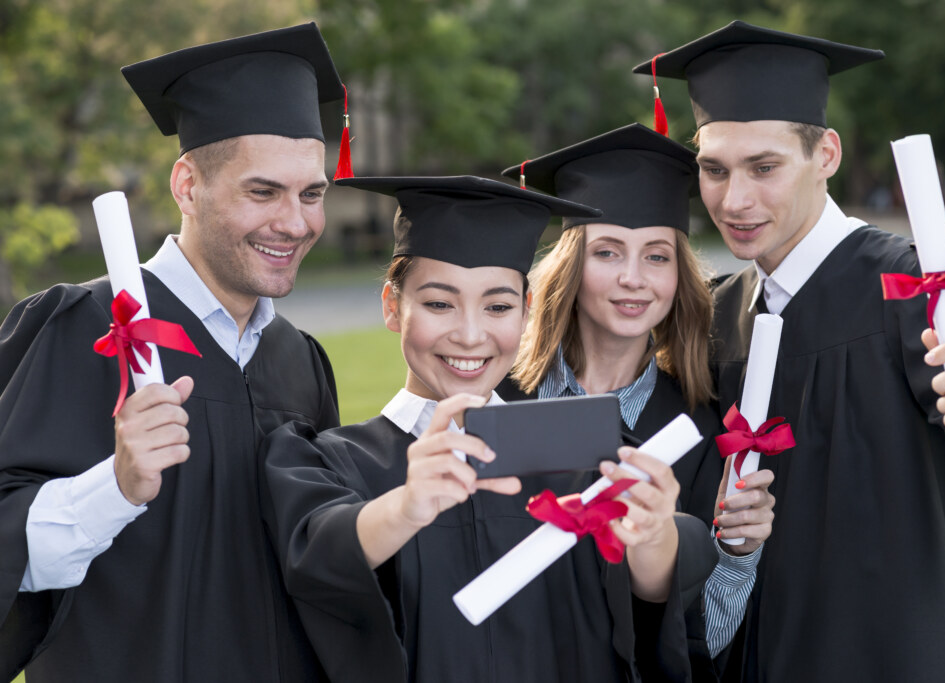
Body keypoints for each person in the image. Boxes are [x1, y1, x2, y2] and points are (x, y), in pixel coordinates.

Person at [633, 20, 945, 683]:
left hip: (909, 658)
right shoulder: (713, 319)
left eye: (764, 167)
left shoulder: (926, 282)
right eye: (713, 169)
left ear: (827, 155)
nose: (736, 199)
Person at [260, 175, 719, 682]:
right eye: (438, 303)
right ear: (393, 307)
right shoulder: (333, 461)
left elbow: (656, 595)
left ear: (525, 312)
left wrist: (653, 535)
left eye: (498, 306)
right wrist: (406, 507)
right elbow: (315, 558)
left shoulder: (585, 453)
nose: (471, 334)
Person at [0, 24, 344, 681]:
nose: (296, 222)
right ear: (187, 185)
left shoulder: (298, 361)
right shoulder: (87, 330)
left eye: (312, 193)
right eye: (263, 191)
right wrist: (116, 487)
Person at [496, 122, 775, 675]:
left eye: (656, 256)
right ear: (571, 264)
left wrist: (739, 552)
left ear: (678, 274)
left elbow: (705, 637)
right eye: (607, 252)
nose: (633, 279)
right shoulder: (500, 403)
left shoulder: (698, 433)